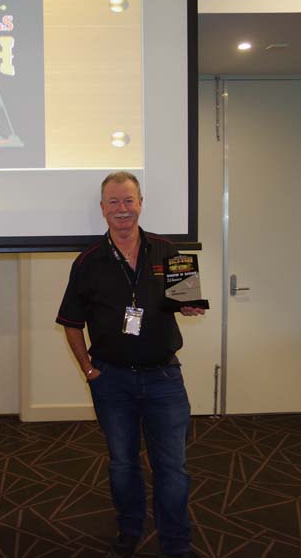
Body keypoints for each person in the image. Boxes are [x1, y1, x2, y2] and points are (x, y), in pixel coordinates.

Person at [56, 172, 205, 558]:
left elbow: (184, 299)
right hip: (112, 381)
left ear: (140, 203)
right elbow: (70, 322)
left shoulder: (167, 250)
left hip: (164, 377)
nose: (122, 209)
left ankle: (176, 543)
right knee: (123, 464)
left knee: (173, 467)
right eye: (113, 202)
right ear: (102, 208)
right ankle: (129, 531)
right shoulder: (88, 262)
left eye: (128, 200)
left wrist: (189, 306)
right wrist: (88, 369)